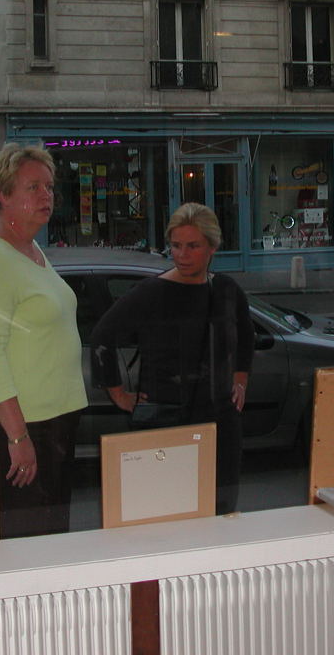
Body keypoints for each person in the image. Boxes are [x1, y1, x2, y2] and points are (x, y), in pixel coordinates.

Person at [89, 203, 254, 515]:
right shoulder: (151, 292)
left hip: (219, 420)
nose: (182, 254)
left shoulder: (227, 290)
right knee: (166, 513)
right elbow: (102, 336)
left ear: (213, 247)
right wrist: (119, 395)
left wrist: (241, 379)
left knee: (220, 513)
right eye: (176, 246)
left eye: (193, 246)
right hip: (165, 418)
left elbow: (246, 336)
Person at [0, 144, 88, 539]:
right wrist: (17, 437)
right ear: (3, 195)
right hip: (28, 425)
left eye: (49, 187)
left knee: (51, 538)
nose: (46, 196)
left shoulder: (30, 249)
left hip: (55, 420)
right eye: (33, 187)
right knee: (29, 544)